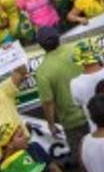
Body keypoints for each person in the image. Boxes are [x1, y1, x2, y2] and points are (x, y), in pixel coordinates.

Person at [33, 28, 88, 158]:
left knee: (82, 157)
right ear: (58, 38)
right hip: (95, 109)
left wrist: (51, 125)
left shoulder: (42, 71)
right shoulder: (76, 50)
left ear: (41, 46)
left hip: (72, 120)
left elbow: (48, 102)